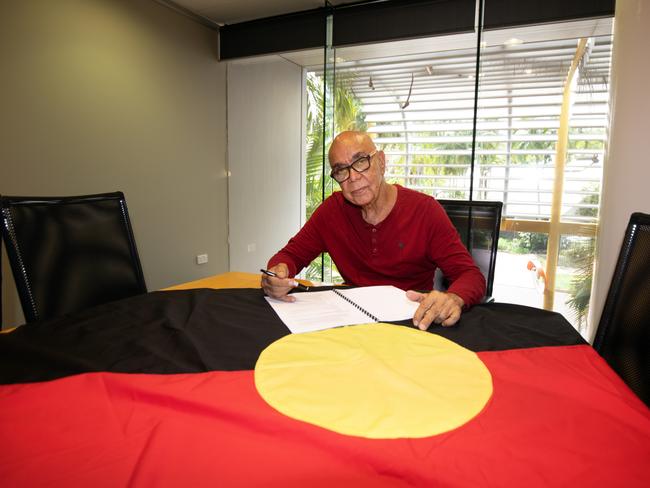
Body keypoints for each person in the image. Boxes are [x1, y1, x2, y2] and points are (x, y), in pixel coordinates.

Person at [262, 131, 485, 330]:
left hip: (412, 325)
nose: (353, 177)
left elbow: (470, 275)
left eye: (360, 162)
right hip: (353, 324)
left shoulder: (425, 210)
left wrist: (454, 298)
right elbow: (289, 256)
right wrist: (277, 274)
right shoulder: (332, 211)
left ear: (381, 162)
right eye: (340, 170)